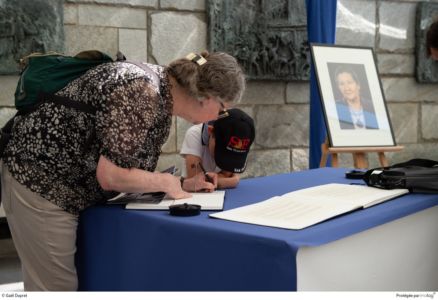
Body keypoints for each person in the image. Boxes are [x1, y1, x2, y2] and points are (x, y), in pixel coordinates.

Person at [0, 50, 245, 291]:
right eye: (222, 109)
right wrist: (164, 182)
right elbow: (111, 176)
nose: (217, 117)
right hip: (41, 182)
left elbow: (126, 168)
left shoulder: (160, 93)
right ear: (206, 96)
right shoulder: (142, 91)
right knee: (54, 289)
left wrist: (180, 183)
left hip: (70, 185)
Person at [180, 108, 255, 189]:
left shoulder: (235, 135)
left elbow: (226, 174)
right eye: (223, 153)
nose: (228, 159)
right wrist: (231, 182)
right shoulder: (194, 134)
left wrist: (220, 181)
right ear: (210, 131)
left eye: (233, 156)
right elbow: (195, 181)